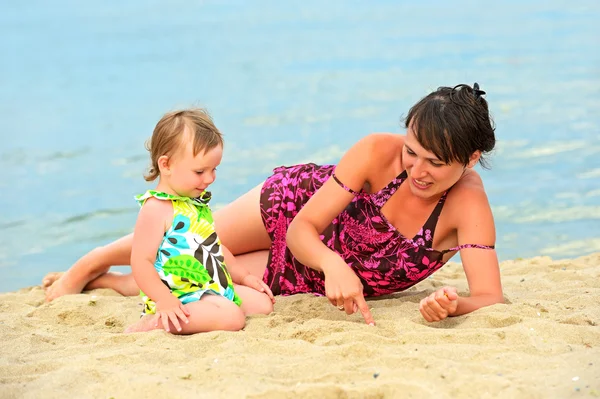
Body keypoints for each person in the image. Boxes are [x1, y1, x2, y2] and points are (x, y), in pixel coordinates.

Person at [43, 83, 503, 325]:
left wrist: (451, 307)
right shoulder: (376, 151)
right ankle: (91, 262)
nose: (417, 170)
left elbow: (488, 297)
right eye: (412, 152)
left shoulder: (467, 206)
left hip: (304, 275)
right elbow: (304, 228)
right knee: (196, 236)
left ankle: (106, 283)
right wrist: (335, 265)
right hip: (293, 209)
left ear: (471, 158)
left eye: (436, 163)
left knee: (201, 276)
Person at [117, 108, 274, 334]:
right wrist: (164, 300)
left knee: (262, 305)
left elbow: (215, 247)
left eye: (214, 169)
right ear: (166, 165)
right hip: (179, 297)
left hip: (212, 287)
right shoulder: (155, 209)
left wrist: (244, 276)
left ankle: (217, 306)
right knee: (232, 317)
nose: (210, 178)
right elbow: (141, 263)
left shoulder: (194, 203)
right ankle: (154, 323)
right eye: (200, 171)